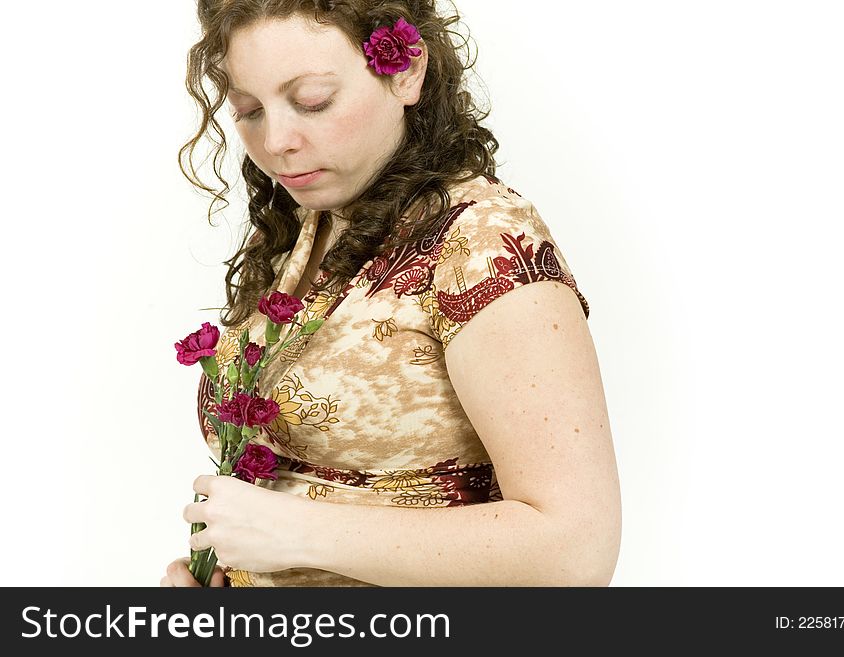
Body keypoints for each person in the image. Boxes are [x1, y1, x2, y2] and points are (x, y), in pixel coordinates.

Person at [161, 0, 621, 588]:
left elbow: (576, 553)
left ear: (405, 70)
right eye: (248, 110)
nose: (276, 140)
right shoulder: (311, 227)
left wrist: (295, 533)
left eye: (312, 102)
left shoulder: (481, 244)